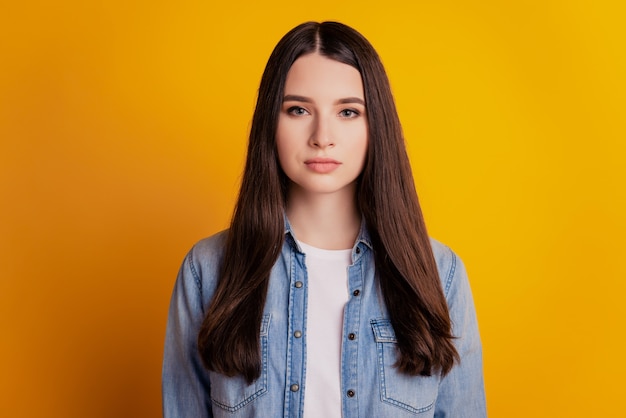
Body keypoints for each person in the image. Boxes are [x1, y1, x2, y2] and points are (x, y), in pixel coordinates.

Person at [162, 21, 486, 418]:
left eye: (348, 111)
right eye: (298, 109)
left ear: (375, 126)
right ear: (270, 122)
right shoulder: (207, 270)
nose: (322, 136)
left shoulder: (440, 274)